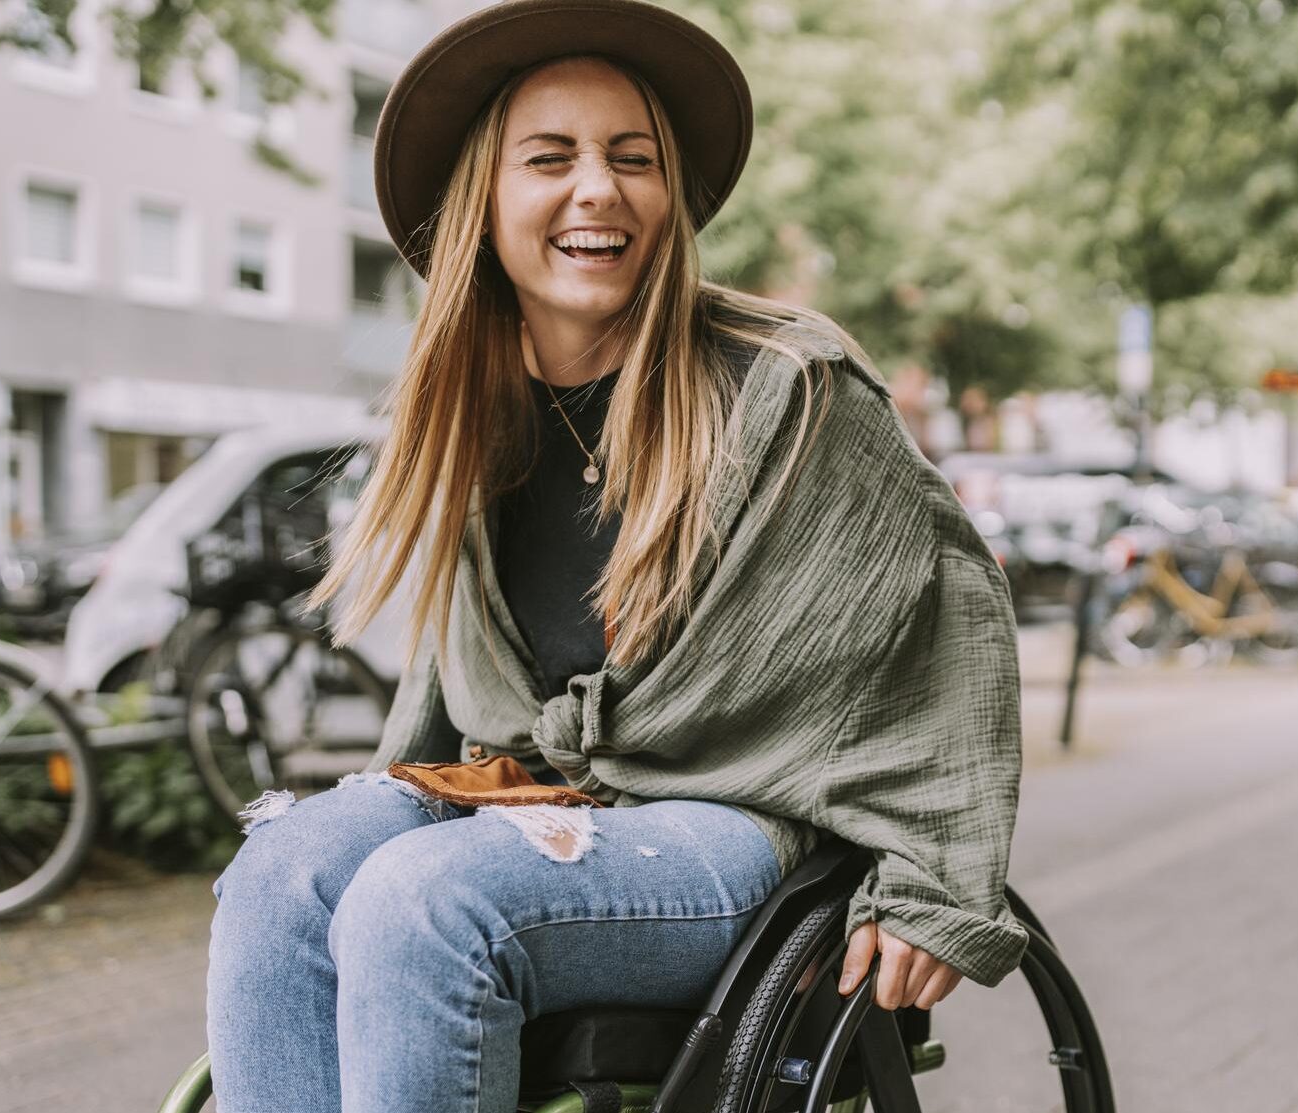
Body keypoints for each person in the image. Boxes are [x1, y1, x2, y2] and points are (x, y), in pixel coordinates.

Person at [202, 5, 1025, 1111]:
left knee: (422, 904)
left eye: (631, 159)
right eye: (552, 159)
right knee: (284, 872)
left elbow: (951, 614)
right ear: (482, 202)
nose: (598, 188)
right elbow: (449, 689)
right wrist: (379, 802)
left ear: (669, 197)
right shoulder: (467, 410)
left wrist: (936, 884)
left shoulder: (786, 384)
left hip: (737, 819)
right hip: (524, 797)